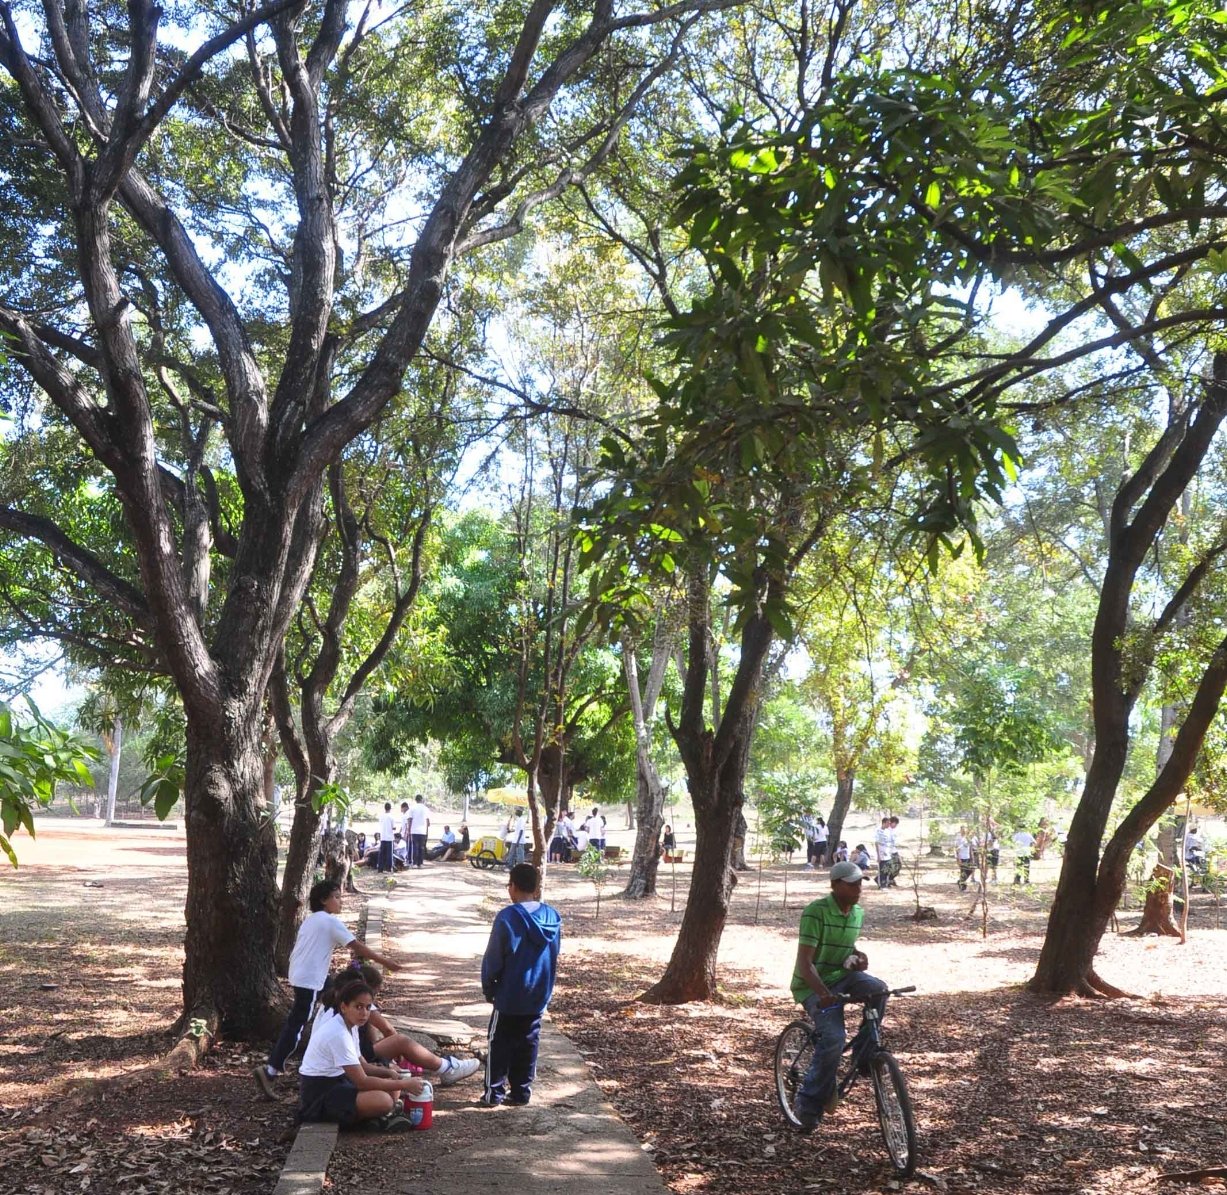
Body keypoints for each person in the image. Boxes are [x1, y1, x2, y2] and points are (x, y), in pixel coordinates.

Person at [254, 879, 399, 1099]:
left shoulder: (312, 920)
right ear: (323, 900)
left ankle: (356, 1051)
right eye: (337, 897)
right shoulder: (329, 922)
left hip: (307, 975)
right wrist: (385, 962)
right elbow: (356, 946)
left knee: (343, 993)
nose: (341, 902)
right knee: (298, 1024)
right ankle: (271, 1070)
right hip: (310, 979)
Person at [789, 861, 889, 1133]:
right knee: (833, 1038)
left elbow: (845, 949)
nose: (858, 888)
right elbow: (805, 964)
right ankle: (808, 1105)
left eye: (860, 883)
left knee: (879, 989)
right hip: (812, 985)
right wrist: (823, 994)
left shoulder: (857, 913)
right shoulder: (816, 912)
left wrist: (858, 958)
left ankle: (866, 1053)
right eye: (852, 883)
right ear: (835, 885)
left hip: (840, 977)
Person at [480, 862, 562, 1107]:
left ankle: (493, 1093)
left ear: (512, 887)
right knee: (528, 1042)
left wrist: (489, 986)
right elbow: (555, 952)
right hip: (538, 992)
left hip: (509, 992)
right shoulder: (553, 916)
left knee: (499, 1041)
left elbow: (494, 957)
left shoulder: (507, 917)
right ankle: (521, 1092)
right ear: (536, 888)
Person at [321, 962, 480, 1086]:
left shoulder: (337, 1006)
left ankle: (445, 1067)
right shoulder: (353, 1006)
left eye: (368, 1006)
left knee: (390, 1086)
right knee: (400, 1042)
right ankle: (447, 1068)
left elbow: (367, 1040)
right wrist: (393, 1061)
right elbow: (387, 1030)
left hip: (348, 1058)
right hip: (342, 1065)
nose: (365, 1010)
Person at [297, 974, 420, 1131]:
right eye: (358, 1007)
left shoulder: (351, 1026)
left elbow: (363, 1064)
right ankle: (370, 1118)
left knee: (391, 1081)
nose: (364, 1013)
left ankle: (375, 1118)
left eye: (368, 1007)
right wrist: (403, 1084)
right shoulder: (338, 1033)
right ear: (344, 1007)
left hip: (339, 1083)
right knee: (384, 1101)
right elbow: (362, 1081)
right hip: (320, 1093)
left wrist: (388, 1073)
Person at [408, 794, 430, 868]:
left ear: (415, 800)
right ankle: (420, 863)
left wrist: (409, 830)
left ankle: (414, 863)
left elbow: (410, 820)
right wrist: (426, 831)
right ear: (422, 800)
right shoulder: (426, 809)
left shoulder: (412, 808)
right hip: (423, 831)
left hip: (414, 830)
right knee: (421, 847)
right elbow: (428, 821)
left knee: (415, 847)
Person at [874, 817, 893, 889]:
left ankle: (885, 883)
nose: (889, 824)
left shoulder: (888, 831)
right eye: (888, 823)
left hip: (888, 853)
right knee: (881, 870)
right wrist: (878, 855)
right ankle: (881, 885)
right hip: (881, 853)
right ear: (884, 823)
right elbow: (876, 843)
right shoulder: (878, 831)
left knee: (887, 869)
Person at [955, 826, 974, 891]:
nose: (964, 831)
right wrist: (958, 858)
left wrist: (972, 857)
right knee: (963, 872)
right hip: (962, 857)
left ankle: (960, 881)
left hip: (967, 856)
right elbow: (956, 848)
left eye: (965, 830)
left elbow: (970, 848)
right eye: (962, 830)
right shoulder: (959, 838)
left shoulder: (967, 838)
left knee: (971, 870)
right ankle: (963, 887)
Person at [378, 803, 395, 872]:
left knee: (382, 853)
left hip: (383, 836)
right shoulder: (391, 817)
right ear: (390, 808)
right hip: (389, 837)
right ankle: (388, 868)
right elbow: (393, 827)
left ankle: (380, 868)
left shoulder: (381, 816)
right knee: (389, 854)